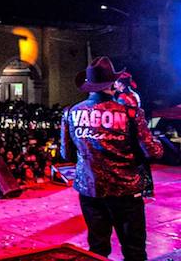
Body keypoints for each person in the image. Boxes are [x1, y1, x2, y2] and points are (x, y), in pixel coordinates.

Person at [61, 56, 163, 261]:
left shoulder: (71, 113)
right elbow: (153, 152)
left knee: (97, 249)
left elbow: (67, 154)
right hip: (125, 191)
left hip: (90, 190)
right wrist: (159, 144)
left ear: (89, 85)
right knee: (134, 250)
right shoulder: (130, 113)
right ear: (112, 84)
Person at [115, 72, 154, 198]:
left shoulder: (123, 97)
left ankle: (143, 187)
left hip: (131, 132)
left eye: (116, 82)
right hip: (138, 130)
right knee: (141, 159)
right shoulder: (133, 94)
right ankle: (147, 187)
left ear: (121, 84)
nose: (114, 84)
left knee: (137, 160)